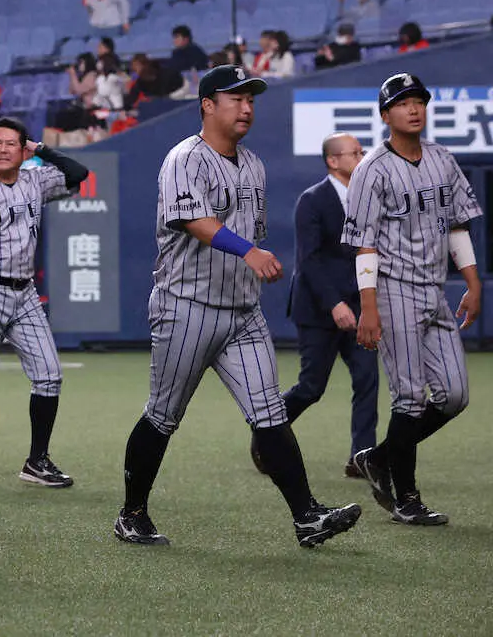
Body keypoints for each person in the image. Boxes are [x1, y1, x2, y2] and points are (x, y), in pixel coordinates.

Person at [113, 64, 362, 548]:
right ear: (207, 104)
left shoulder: (253, 164)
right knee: (163, 415)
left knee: (269, 413)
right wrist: (247, 251)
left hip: (242, 313)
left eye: (251, 98)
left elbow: (254, 232)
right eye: (235, 97)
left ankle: (307, 516)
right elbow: (194, 220)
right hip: (186, 306)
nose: (247, 106)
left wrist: (250, 256)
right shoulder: (184, 158)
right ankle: (132, 513)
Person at [345, 73, 481, 526]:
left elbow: (458, 223)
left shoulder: (443, 159)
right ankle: (407, 498)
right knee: (408, 397)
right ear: (386, 115)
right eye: (402, 102)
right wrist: (368, 306)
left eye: (419, 100)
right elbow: (364, 244)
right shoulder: (371, 169)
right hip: (392, 288)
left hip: (434, 289)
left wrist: (472, 281)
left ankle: (380, 456)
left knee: (455, 395)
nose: (413, 108)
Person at [0, 118, 87, 489]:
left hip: (25, 293)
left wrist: (41, 149)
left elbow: (80, 172)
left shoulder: (35, 180)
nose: (1, 149)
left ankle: (37, 461)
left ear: (23, 149)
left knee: (49, 376)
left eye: (11, 143)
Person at [264, 132, 377, 479]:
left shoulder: (368, 200)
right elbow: (309, 260)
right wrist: (335, 304)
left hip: (359, 307)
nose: (362, 156)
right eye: (354, 152)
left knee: (367, 379)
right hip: (318, 309)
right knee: (311, 387)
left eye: (362, 150)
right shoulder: (312, 200)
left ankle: (361, 456)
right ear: (333, 160)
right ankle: (266, 432)